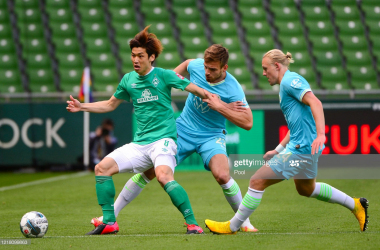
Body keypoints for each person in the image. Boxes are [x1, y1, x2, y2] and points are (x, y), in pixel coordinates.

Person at [91, 44, 259, 232]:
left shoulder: (233, 88)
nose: (206, 72)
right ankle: (111, 215)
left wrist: (220, 107)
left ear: (224, 68)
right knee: (149, 171)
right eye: (205, 67)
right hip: (182, 130)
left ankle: (244, 222)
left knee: (222, 175)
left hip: (211, 135)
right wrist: (165, 81)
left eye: (212, 69)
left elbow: (248, 123)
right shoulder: (196, 66)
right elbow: (187, 64)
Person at [66, 26, 213, 235]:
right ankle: (109, 222)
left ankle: (192, 224)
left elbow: (196, 90)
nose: (135, 60)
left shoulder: (164, 76)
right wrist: (82, 106)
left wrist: (219, 101)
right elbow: (109, 105)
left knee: (163, 176)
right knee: (101, 169)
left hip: (163, 141)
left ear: (151, 57)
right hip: (139, 144)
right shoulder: (128, 80)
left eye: (140, 56)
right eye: (133, 55)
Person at [205, 49, 369, 234]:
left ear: (277, 66)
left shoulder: (291, 81)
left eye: (266, 69)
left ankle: (232, 226)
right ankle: (356, 205)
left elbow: (316, 103)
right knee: (306, 189)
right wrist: (278, 149)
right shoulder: (286, 85)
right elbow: (296, 125)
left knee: (257, 180)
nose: (264, 73)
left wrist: (322, 134)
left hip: (302, 149)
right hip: (303, 147)